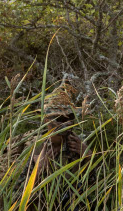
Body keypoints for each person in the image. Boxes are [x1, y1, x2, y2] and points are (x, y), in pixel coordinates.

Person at [21, 82, 90, 210]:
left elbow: (94, 184)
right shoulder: (35, 148)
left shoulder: (77, 144)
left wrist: (90, 157)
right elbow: (17, 196)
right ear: (47, 121)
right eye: (60, 119)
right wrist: (38, 171)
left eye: (70, 117)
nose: (67, 123)